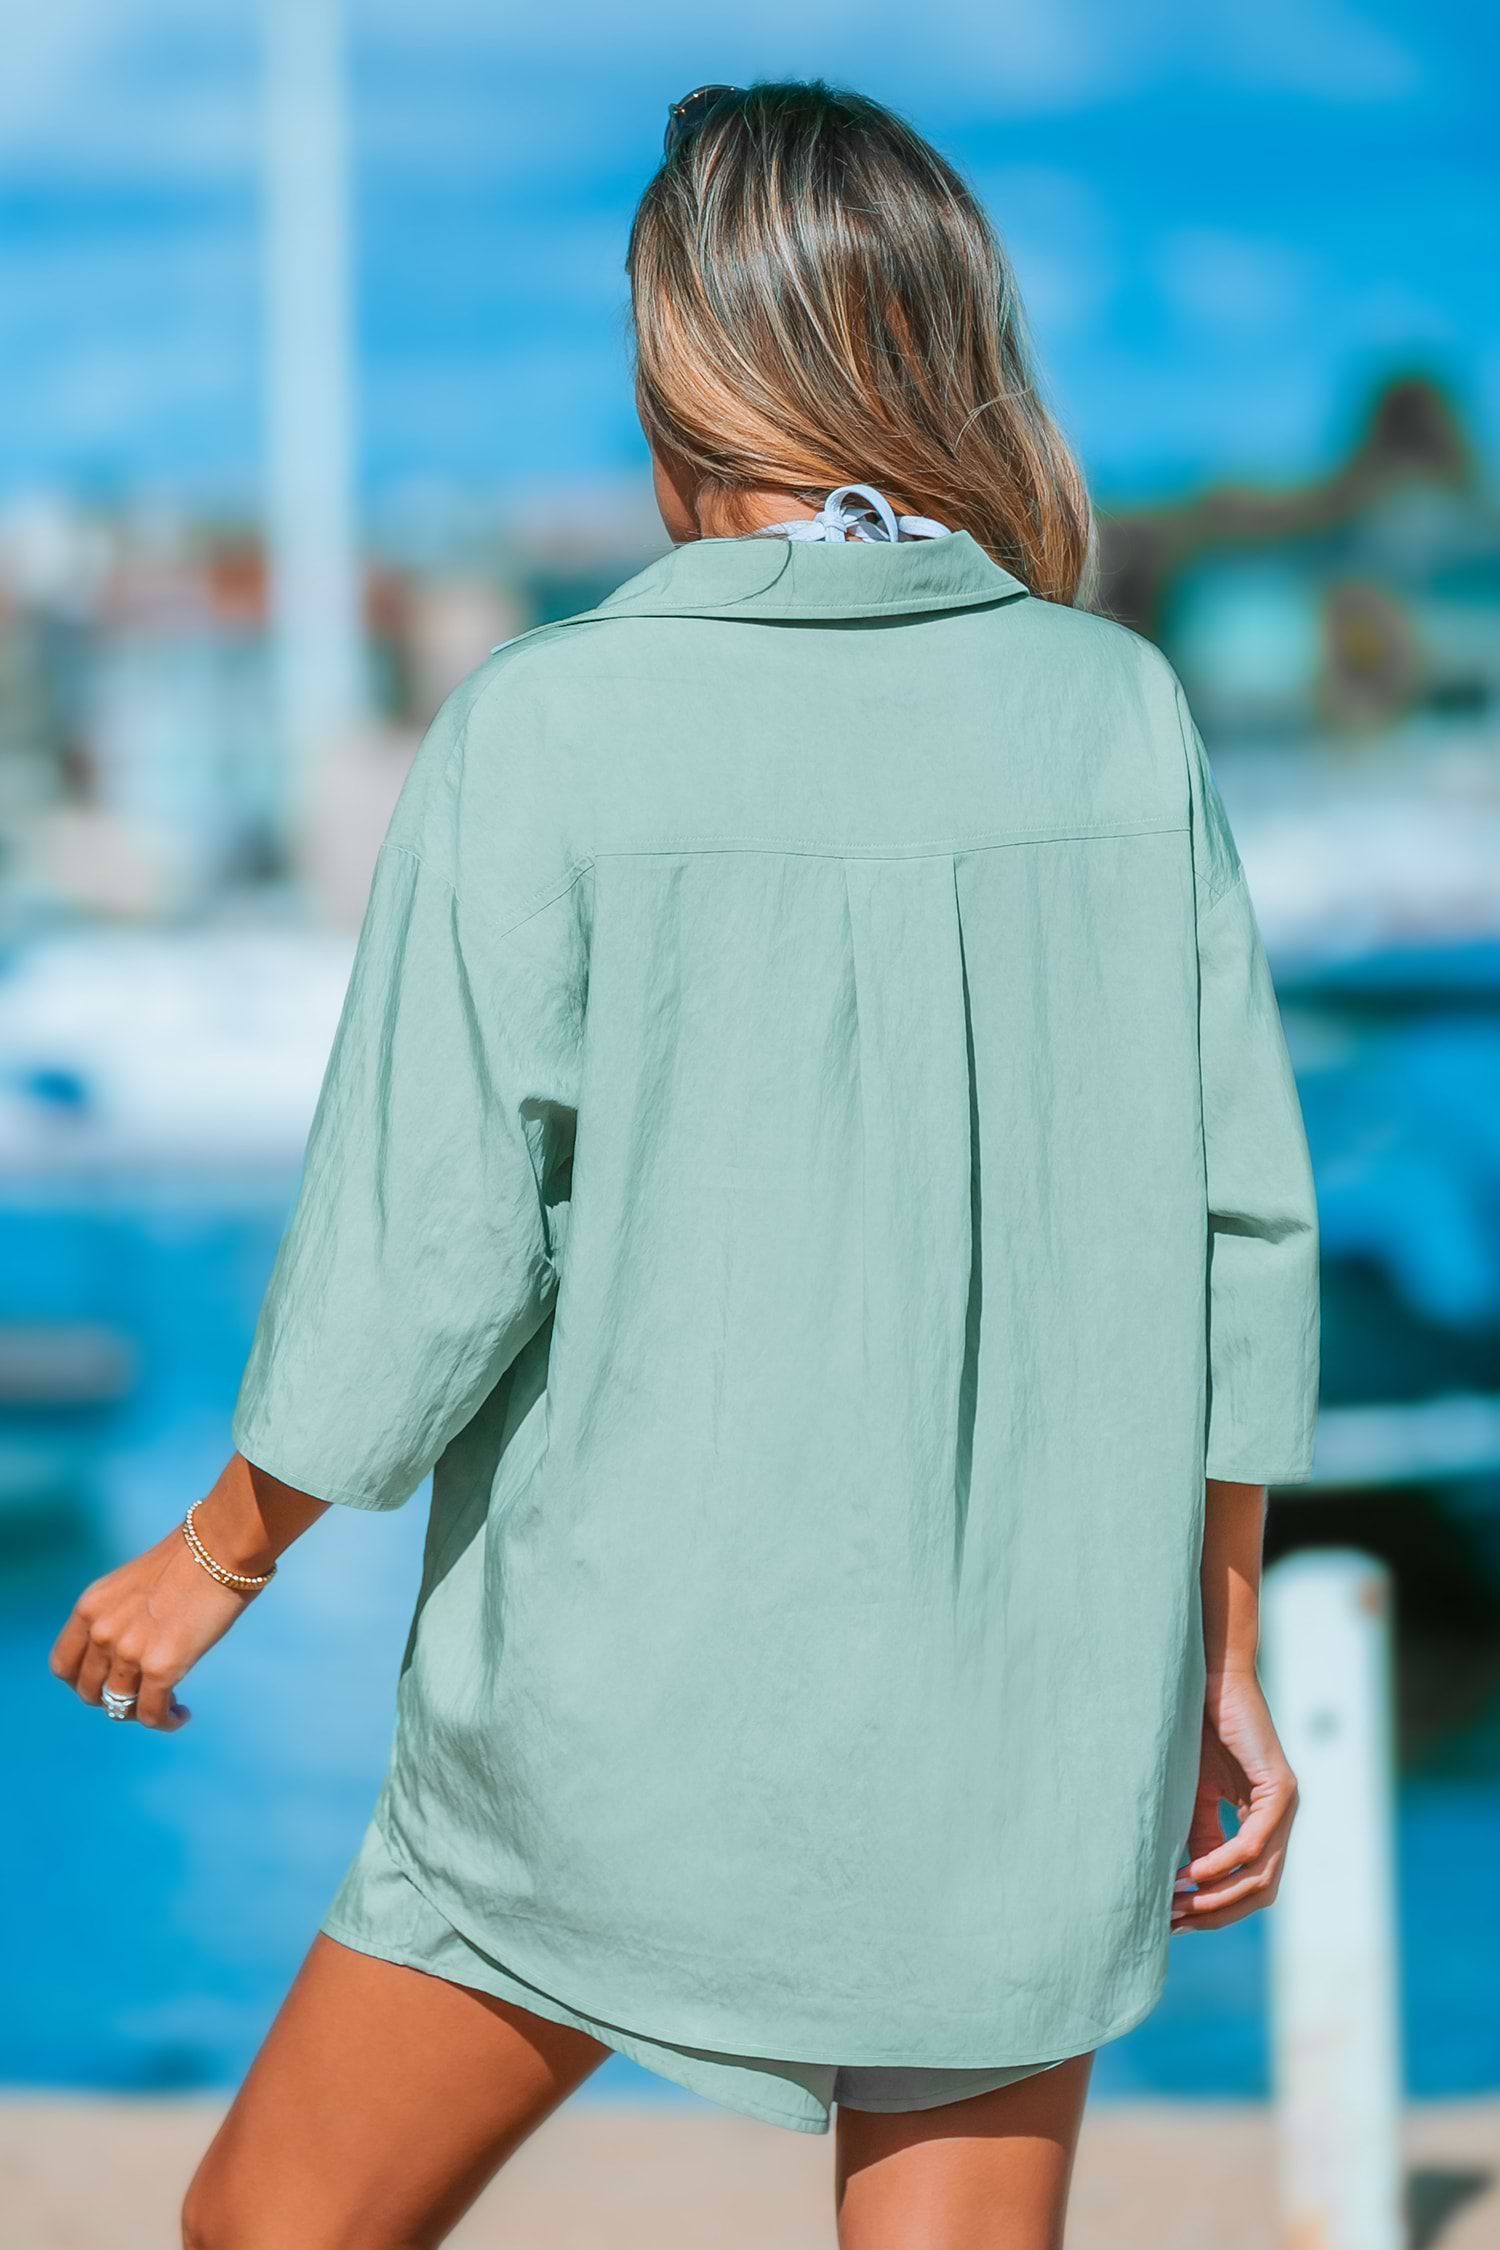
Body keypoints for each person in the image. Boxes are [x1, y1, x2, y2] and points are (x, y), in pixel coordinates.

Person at [51, 81, 1319, 2249]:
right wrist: (1218, 1651)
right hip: (1027, 1716)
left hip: (616, 1717)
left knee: (274, 2232)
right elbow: (1240, 1236)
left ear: (686, 367)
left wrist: (219, 1553)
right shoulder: (1118, 715)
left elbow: (431, 1244)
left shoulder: (552, 724)